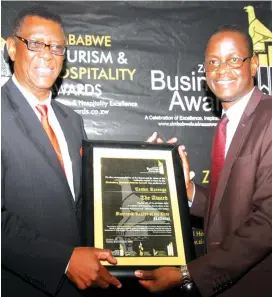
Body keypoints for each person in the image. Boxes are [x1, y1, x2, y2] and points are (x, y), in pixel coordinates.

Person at [135, 25, 272, 297]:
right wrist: (187, 188)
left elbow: (267, 221)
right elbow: (230, 207)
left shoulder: (269, 117)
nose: (222, 69)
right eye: (213, 62)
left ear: (254, 65)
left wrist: (188, 273)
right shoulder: (227, 124)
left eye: (234, 59)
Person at [1, 7, 122, 297]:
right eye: (35, 44)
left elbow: (83, 203)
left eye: (56, 47)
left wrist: (145, 167)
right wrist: (63, 260)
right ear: (12, 49)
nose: (47, 55)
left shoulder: (71, 120)